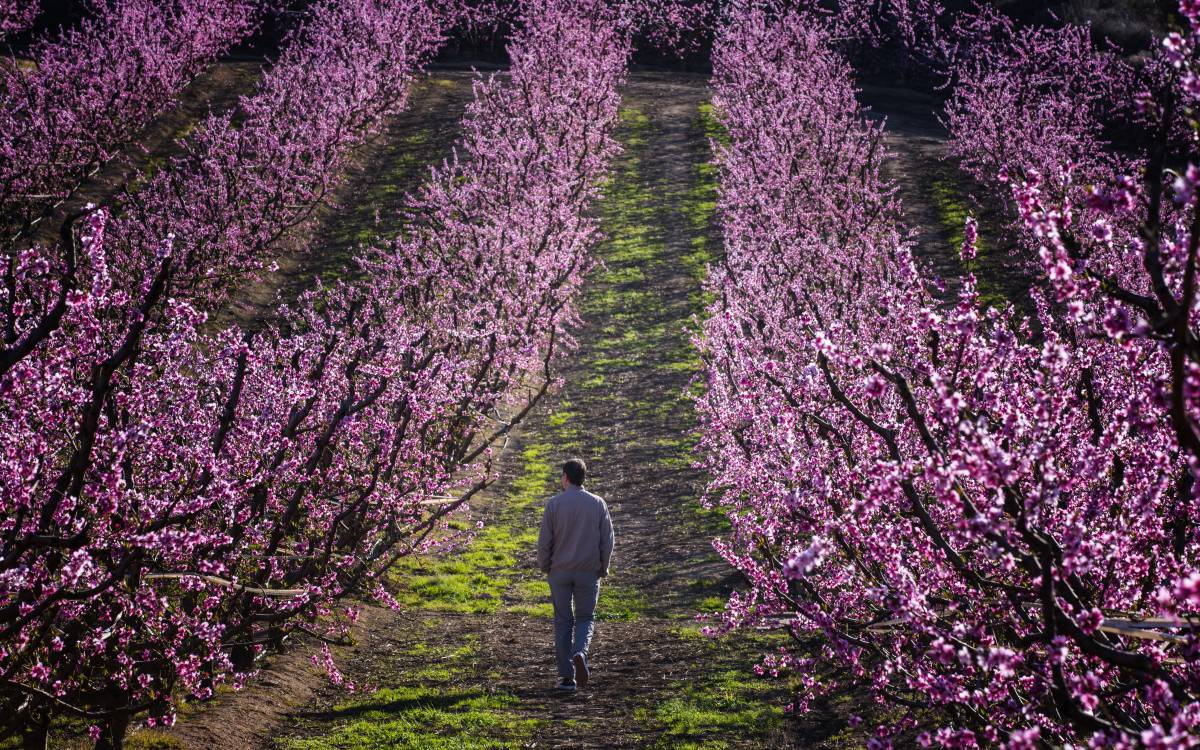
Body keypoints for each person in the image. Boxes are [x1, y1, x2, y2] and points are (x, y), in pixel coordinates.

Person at [536, 457, 614, 692]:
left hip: (559, 571)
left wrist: (545, 565)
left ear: (566, 477)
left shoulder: (554, 504)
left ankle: (566, 677)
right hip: (588, 571)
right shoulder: (597, 503)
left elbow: (544, 540)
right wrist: (604, 565)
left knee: (562, 621)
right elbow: (608, 539)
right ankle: (580, 652)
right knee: (585, 618)